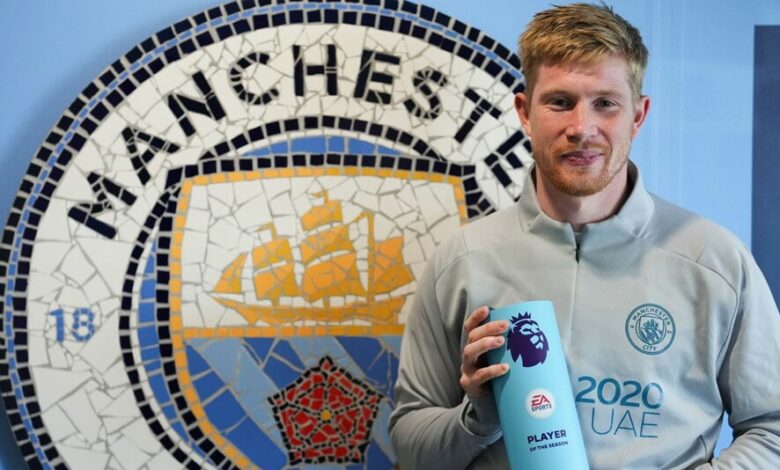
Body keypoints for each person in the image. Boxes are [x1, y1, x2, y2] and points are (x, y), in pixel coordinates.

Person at [389, 3, 780, 469]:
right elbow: (411, 446)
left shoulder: (714, 260)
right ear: (524, 112)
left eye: (605, 104)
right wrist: (478, 417)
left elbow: (772, 429)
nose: (581, 128)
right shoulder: (462, 260)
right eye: (560, 102)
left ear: (638, 115)